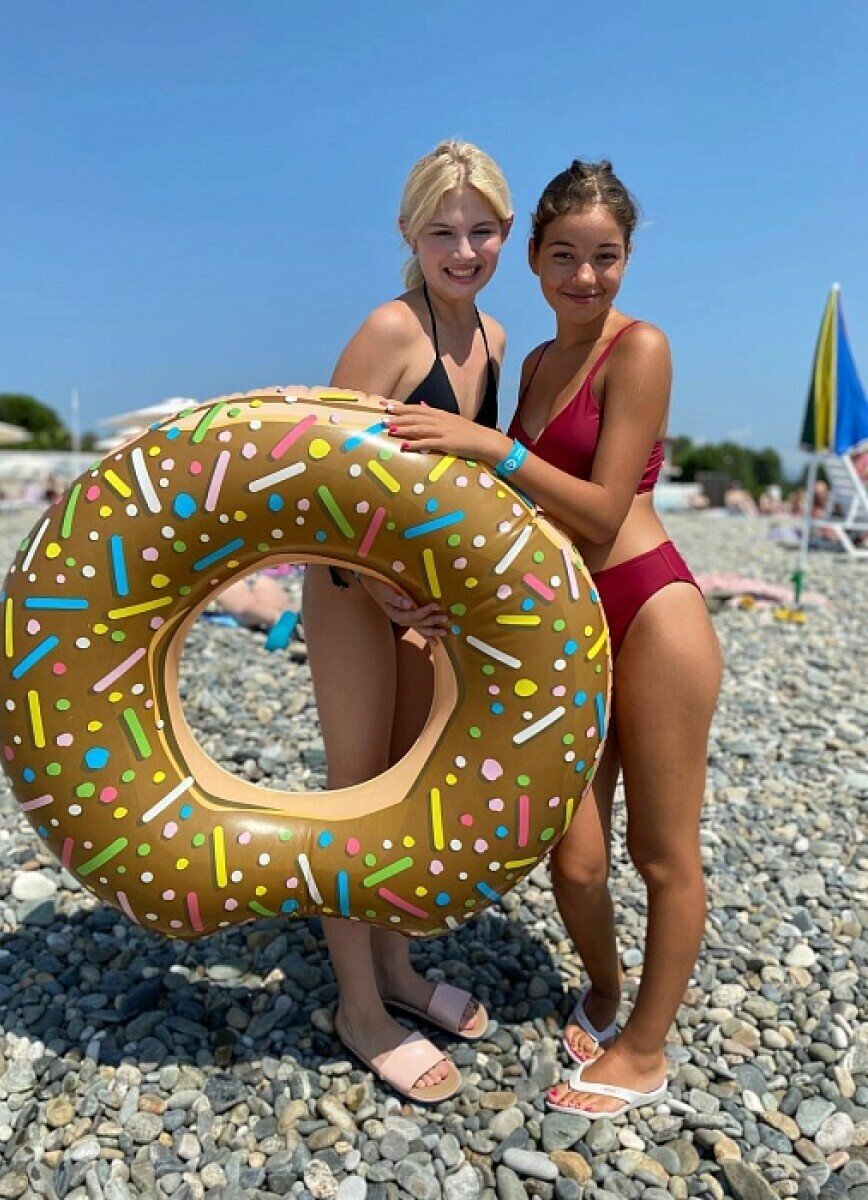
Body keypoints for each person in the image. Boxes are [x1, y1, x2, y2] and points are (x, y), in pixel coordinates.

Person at [383, 159, 722, 1118]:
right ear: (532, 257)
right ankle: (606, 989)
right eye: (565, 255)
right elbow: (511, 510)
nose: (585, 276)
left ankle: (646, 1051)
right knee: (573, 857)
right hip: (565, 627)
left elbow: (605, 510)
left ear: (627, 259)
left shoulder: (640, 349)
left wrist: (496, 448)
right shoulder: (531, 364)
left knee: (663, 853)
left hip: (649, 611)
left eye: (605, 256)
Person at [300, 140, 513, 1102]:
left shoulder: (495, 339)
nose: (462, 251)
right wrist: (381, 588)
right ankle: (359, 1008)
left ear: (505, 232)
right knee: (356, 793)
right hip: (354, 589)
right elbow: (315, 482)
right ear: (408, 235)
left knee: (407, 789)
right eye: (442, 233)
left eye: (481, 231)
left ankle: (395, 969)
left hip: (425, 599)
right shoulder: (390, 331)